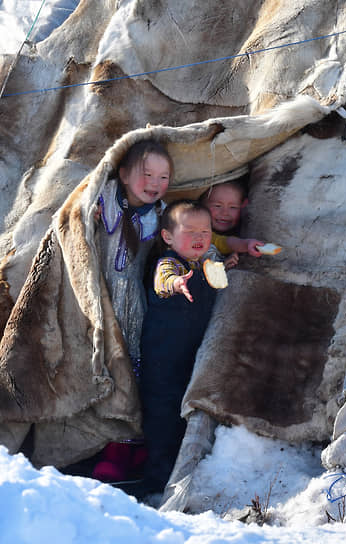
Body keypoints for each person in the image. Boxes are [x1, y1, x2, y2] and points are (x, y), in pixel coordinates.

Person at [91, 139, 173, 483]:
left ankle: (126, 448)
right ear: (123, 174)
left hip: (134, 309)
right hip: (98, 298)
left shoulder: (162, 214)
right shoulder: (104, 197)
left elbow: (193, 238)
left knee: (132, 376)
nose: (155, 183)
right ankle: (97, 445)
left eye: (164, 176)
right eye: (147, 173)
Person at [136, 199, 219, 497]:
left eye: (205, 231)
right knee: (162, 419)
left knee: (183, 418)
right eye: (190, 231)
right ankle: (155, 483)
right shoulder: (169, 264)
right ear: (168, 236)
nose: (199, 237)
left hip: (190, 357)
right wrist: (175, 284)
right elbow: (163, 280)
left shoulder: (204, 263)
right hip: (163, 360)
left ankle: (176, 473)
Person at [200, 180, 264, 268]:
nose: (225, 213)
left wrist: (247, 244)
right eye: (217, 206)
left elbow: (228, 242)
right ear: (202, 206)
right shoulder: (200, 233)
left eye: (233, 207)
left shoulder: (245, 230)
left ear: (243, 207)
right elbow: (223, 242)